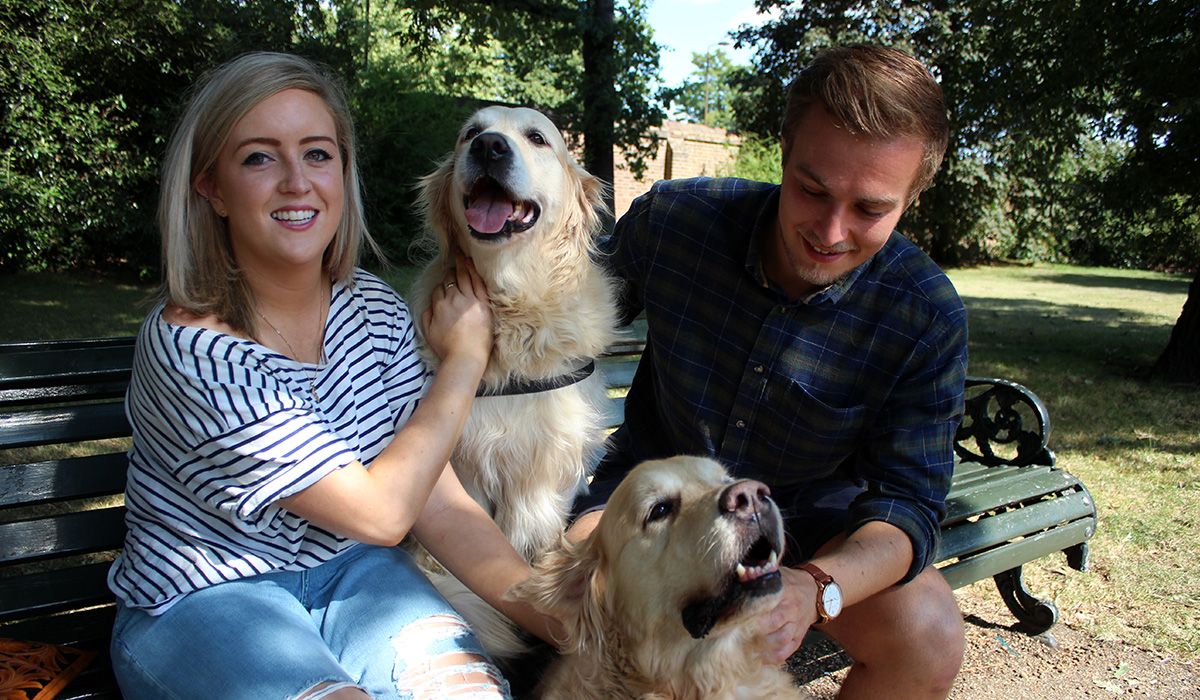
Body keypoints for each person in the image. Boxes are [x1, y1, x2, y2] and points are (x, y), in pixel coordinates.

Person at [107, 52, 552, 699]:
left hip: (355, 580)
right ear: (210, 185)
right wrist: (462, 359)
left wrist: (562, 620)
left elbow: (437, 502)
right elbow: (381, 513)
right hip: (205, 598)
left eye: (318, 155)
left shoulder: (370, 309)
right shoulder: (194, 346)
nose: (296, 181)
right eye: (260, 157)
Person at [570, 44, 968, 698]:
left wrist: (815, 590)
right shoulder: (678, 223)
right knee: (587, 601)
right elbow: (564, 327)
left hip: (810, 521)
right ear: (783, 151)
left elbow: (908, 508)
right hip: (652, 499)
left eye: (870, 210)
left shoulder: (924, 316)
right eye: (812, 190)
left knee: (927, 636)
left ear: (912, 198)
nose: (831, 231)